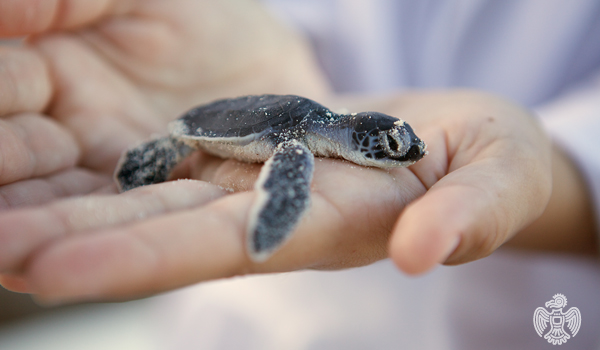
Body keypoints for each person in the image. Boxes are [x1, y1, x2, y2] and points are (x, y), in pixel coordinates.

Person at [0, 0, 598, 347]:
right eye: (391, 144)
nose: (404, 154)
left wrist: (567, 165)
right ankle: (153, 159)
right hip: (210, 136)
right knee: (180, 156)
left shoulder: (321, 135)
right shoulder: (300, 141)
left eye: (401, 144)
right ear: (356, 137)